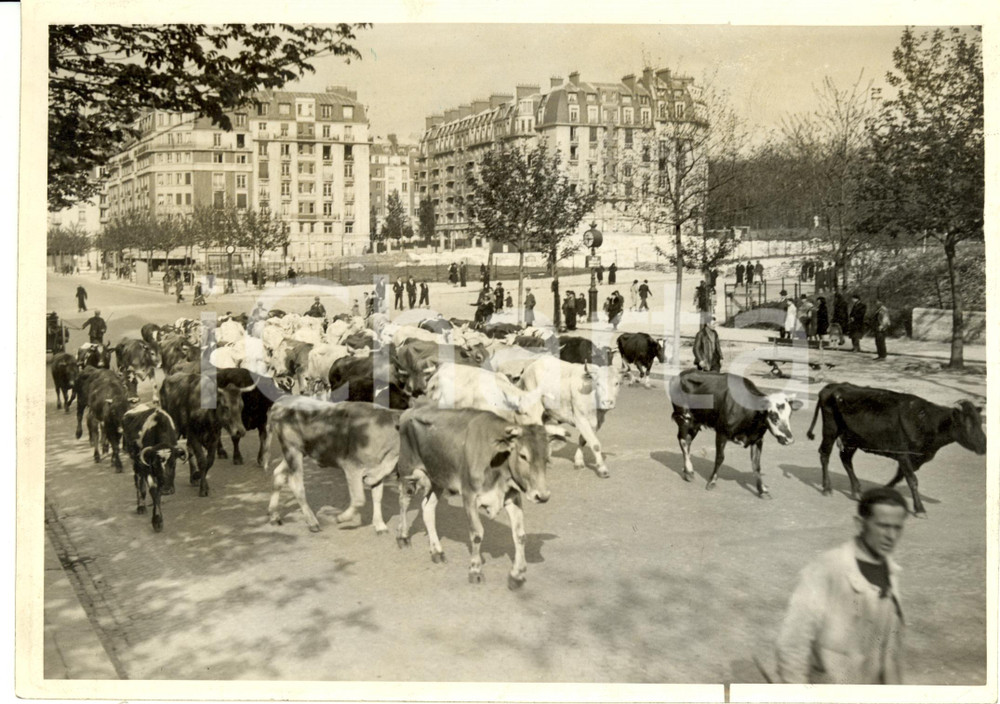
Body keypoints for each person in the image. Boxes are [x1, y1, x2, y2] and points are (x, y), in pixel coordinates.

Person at [774, 487, 908, 684]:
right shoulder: (828, 568)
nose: (891, 536)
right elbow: (792, 644)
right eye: (883, 526)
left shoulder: (891, 572)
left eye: (897, 528)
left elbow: (890, 653)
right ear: (859, 523)